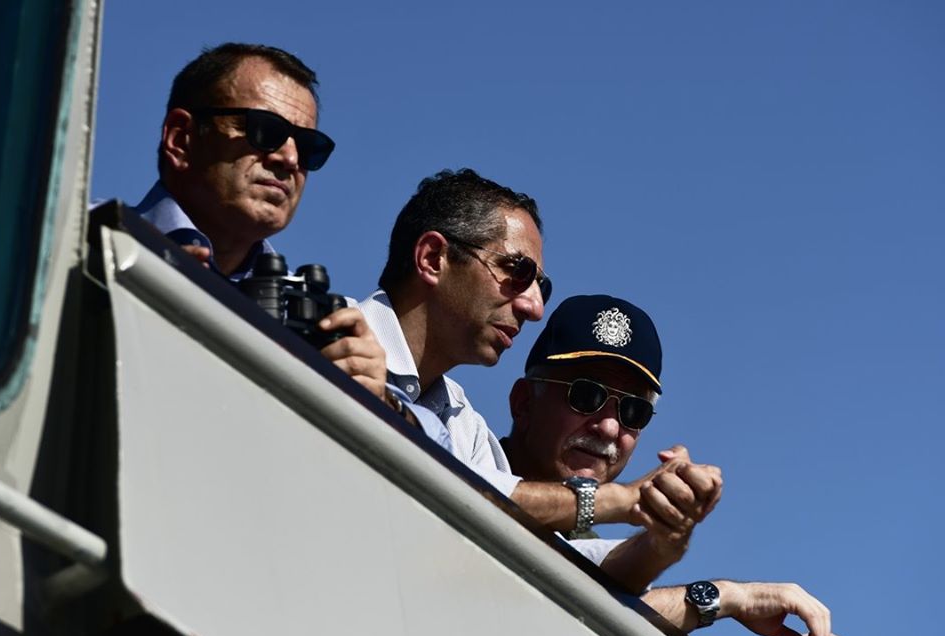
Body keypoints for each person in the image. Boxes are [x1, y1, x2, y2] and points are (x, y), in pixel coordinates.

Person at [359, 169, 722, 592]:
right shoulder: (316, 337)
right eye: (516, 271)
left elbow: (547, 548)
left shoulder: (458, 419)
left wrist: (665, 537)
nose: (534, 308)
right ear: (433, 258)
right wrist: (621, 500)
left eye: (634, 410)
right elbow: (459, 490)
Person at [503, 294, 841, 636]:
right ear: (523, 402)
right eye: (586, 395)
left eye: (633, 411)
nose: (609, 427)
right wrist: (628, 500)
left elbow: (589, 607)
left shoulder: (583, 541)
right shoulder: (469, 451)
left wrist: (669, 540)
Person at [130, 42, 392, 414]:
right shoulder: (75, 241)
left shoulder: (312, 321)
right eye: (265, 131)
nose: (290, 158)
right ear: (181, 138)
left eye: (308, 147)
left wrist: (378, 403)